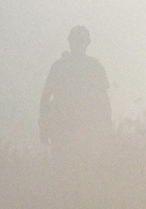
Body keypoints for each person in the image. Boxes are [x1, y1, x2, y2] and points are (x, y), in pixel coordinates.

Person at [38, 25, 111, 158]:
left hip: (82, 131)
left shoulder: (62, 66)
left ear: (86, 43)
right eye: (76, 41)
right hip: (67, 130)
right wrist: (44, 127)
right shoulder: (93, 66)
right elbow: (45, 99)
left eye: (80, 41)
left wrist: (44, 127)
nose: (78, 45)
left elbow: (104, 102)